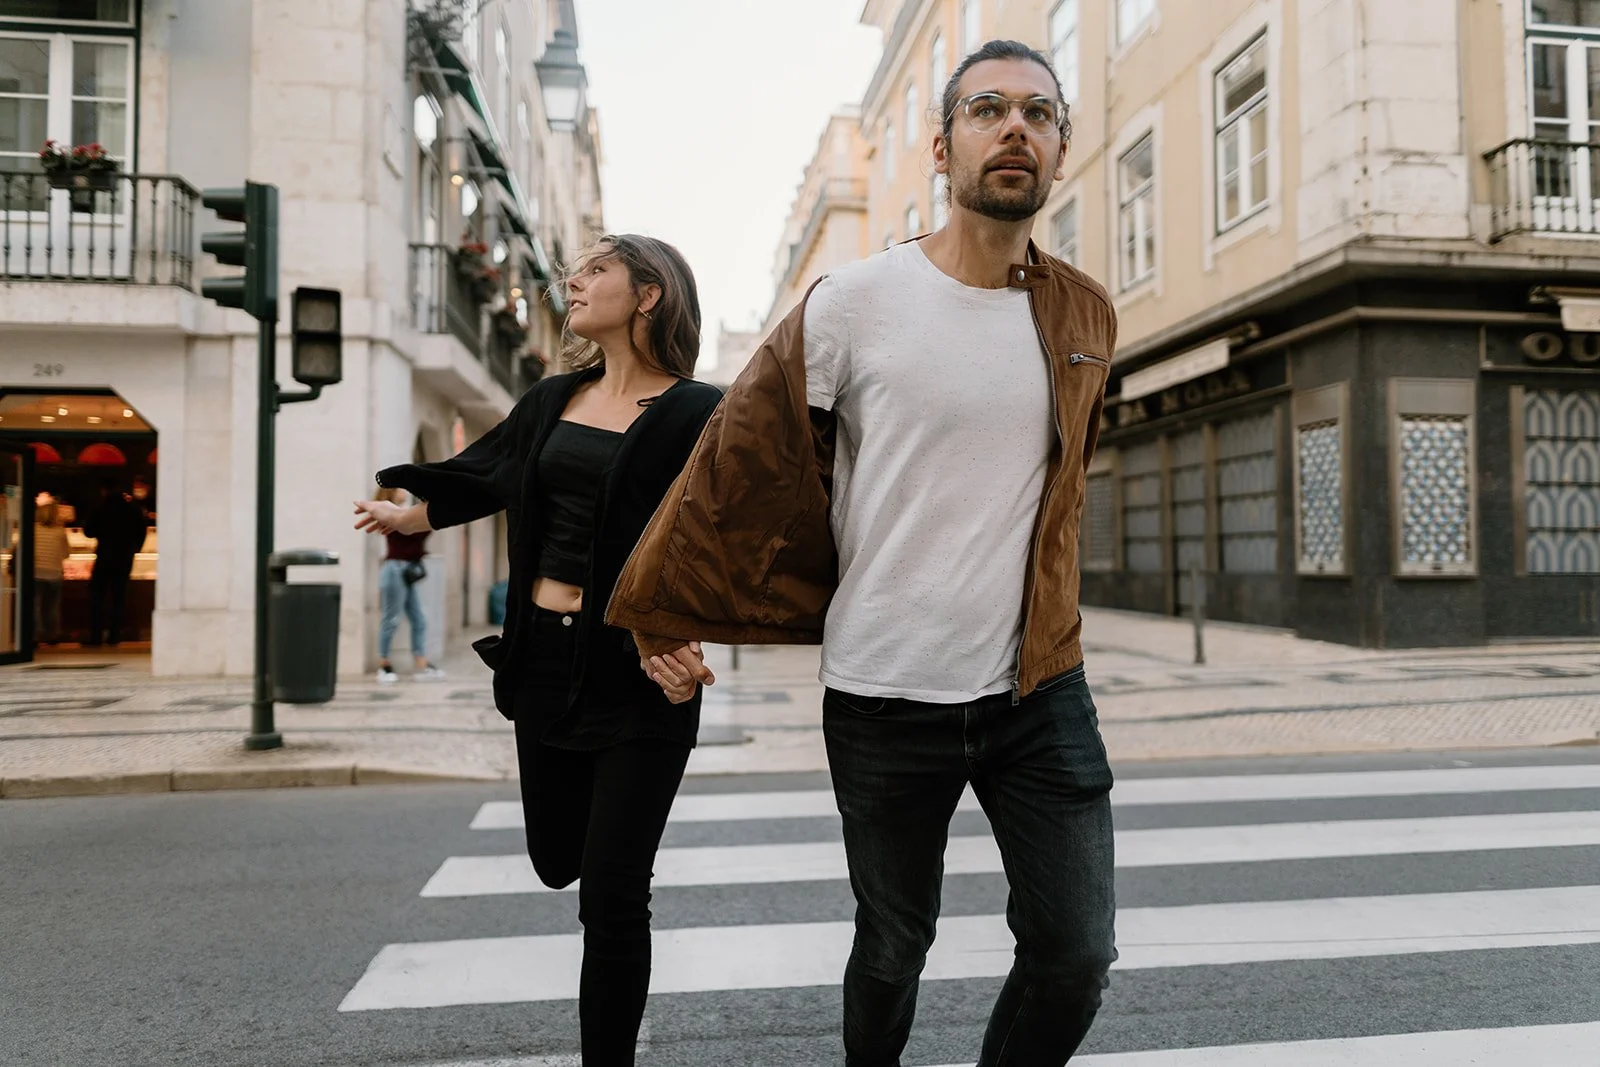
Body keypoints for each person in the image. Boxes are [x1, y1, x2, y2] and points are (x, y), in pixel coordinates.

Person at [608, 41, 1118, 1067]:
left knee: (1074, 950)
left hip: (1039, 687)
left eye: (1038, 111)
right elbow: (737, 461)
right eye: (986, 109)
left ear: (1061, 147)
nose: (1014, 126)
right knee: (894, 942)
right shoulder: (851, 302)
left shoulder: (1084, 313)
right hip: (884, 692)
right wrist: (661, 605)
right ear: (942, 145)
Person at [351, 234, 722, 1065]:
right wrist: (413, 513)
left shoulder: (700, 412)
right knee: (559, 860)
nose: (575, 282)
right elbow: (496, 472)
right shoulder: (555, 396)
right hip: (543, 663)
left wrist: (686, 630)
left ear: (649, 293)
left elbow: (727, 537)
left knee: (615, 895)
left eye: (595, 270)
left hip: (639, 676)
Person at [372, 486, 443, 683]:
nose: (405, 491)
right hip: (395, 570)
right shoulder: (391, 515)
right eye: (400, 489)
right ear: (391, 493)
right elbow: (415, 534)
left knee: (419, 619)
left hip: (408, 571)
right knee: (391, 618)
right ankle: (383, 664)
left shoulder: (402, 514)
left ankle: (421, 662)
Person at [83, 478, 150, 647]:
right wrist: (135, 549)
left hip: (104, 556)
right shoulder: (133, 510)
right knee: (119, 597)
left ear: (104, 491)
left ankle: (96, 636)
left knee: (98, 597)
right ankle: (114, 636)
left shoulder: (101, 509)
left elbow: (89, 532)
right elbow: (142, 532)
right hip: (124, 558)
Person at [33, 496, 70, 646]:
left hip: (36, 573)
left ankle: (36, 634)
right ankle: (53, 635)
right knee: (53, 606)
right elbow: (66, 554)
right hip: (55, 573)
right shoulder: (60, 531)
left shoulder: (33, 530)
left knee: (35, 605)